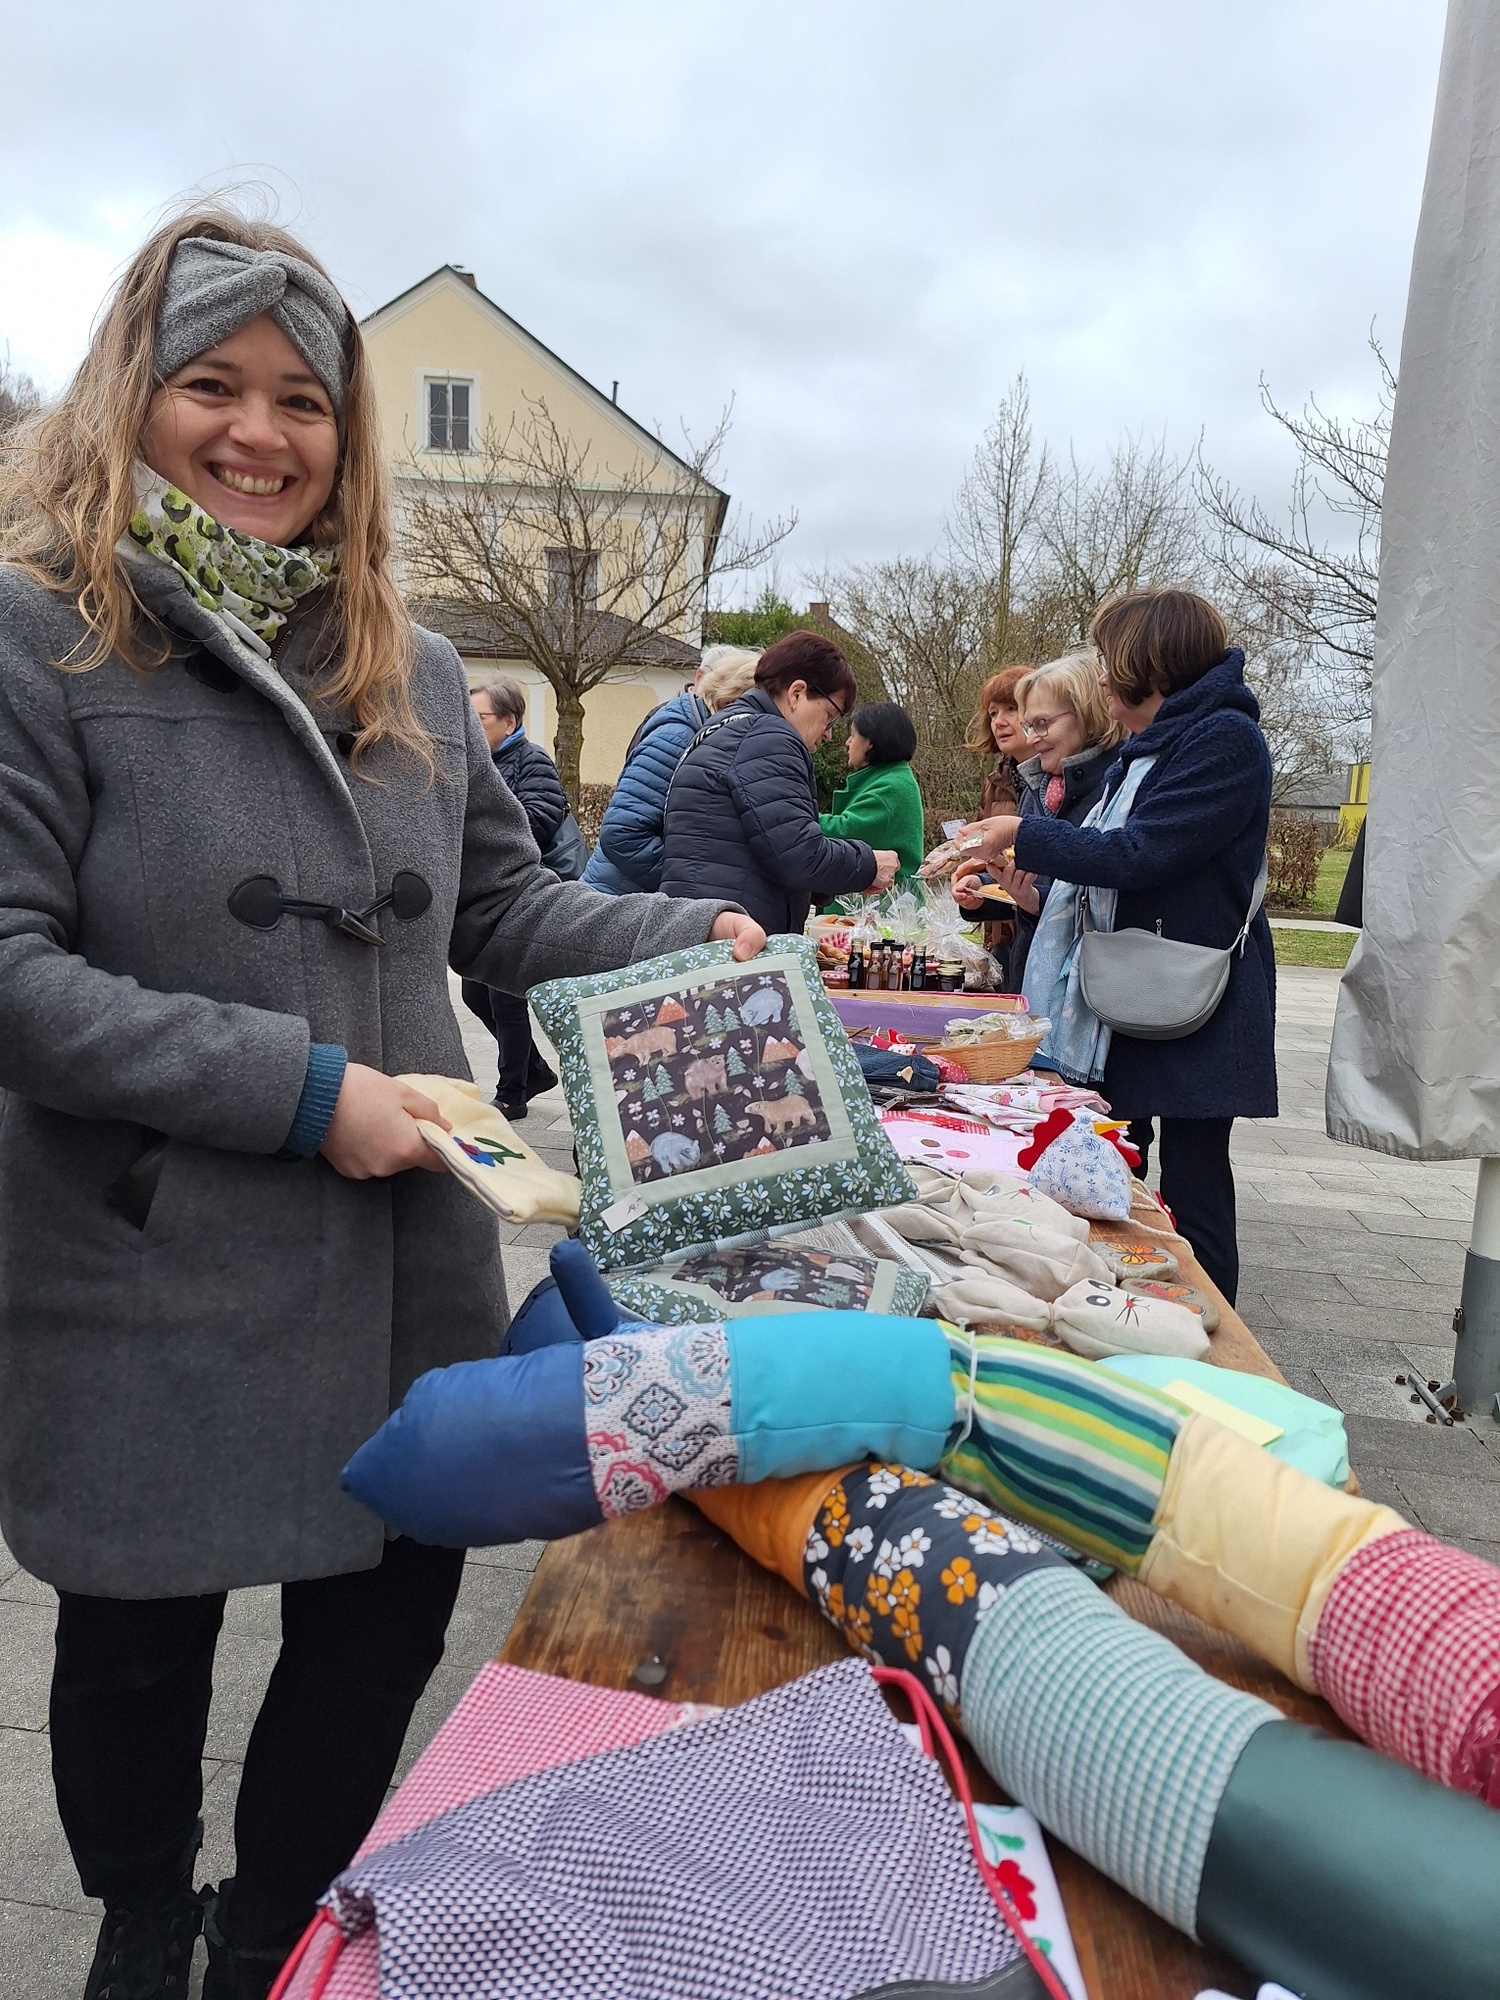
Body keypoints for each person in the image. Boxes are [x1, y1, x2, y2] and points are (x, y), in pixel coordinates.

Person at [0, 207, 765, 2000]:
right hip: (149, 1257)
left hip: (404, 1261)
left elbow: (500, 912)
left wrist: (688, 934)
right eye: (213, 385)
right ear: (130, 395)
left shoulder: (408, 665)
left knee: (380, 1624)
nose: (260, 434)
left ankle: (274, 1930)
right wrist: (301, 1091)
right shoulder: (38, 637)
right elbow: (14, 975)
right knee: (137, 1647)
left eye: (304, 399)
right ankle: (138, 1920)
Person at [954, 588, 1275, 1304]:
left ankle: (1203, 1333)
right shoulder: (1154, 745)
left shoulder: (1223, 740)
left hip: (1194, 998)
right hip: (1134, 993)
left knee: (1193, 1188)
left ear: (1148, 663)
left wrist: (1022, 832)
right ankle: (1130, 1303)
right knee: (1117, 1172)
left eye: (1109, 662)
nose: (1101, 678)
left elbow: (1139, 852)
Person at [660, 630, 900, 933]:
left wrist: (833, 881)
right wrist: (869, 865)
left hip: (700, 927)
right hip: (734, 939)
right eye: (829, 716)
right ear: (796, 693)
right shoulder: (768, 738)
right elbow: (799, 855)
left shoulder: (723, 729)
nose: (828, 733)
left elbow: (766, 851)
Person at [462, 674, 581, 1116]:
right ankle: (533, 1070)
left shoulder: (532, 760)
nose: (470, 726)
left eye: (479, 718)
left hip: (522, 891)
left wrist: (484, 834)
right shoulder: (478, 764)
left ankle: (512, 1092)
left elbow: (540, 819)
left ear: (509, 722)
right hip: (486, 894)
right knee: (474, 995)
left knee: (504, 997)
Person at [582, 646, 760, 895]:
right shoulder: (678, 736)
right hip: (615, 901)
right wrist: (689, 884)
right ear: (730, 700)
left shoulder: (701, 735)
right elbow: (623, 834)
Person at [1002, 650, 1126, 989]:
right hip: (1033, 980)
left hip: (1091, 986)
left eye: (1042, 724)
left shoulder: (1116, 789)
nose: (1031, 738)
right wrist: (984, 885)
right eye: (1029, 725)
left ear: (1090, 716)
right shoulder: (1038, 787)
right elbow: (1036, 886)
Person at [817, 700, 925, 894]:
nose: (848, 743)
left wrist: (795, 818)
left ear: (870, 742)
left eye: (853, 735)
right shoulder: (890, 778)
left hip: (881, 904)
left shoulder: (891, 787)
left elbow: (842, 830)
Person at [965, 663, 1034, 819]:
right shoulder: (993, 784)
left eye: (1011, 709)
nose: (998, 722)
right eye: (993, 713)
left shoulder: (1061, 777)